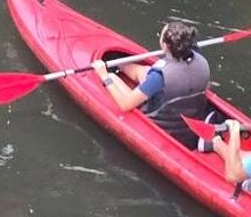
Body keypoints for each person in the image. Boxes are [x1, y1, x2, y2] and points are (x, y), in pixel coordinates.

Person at [90, 21, 210, 150]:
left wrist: (104, 76)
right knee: (145, 70)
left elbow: (125, 105)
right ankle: (118, 64)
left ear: (165, 46)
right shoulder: (201, 61)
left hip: (162, 120)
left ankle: (112, 70)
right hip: (187, 111)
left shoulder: (159, 76)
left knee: (113, 77)